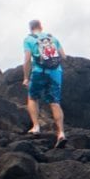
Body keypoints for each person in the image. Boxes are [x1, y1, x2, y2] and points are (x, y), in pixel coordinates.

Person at [22, 19, 67, 147]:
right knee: (55, 102)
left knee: (32, 97)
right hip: (55, 72)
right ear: (41, 27)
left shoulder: (29, 39)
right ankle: (61, 133)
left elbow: (27, 60)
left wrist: (26, 77)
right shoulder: (52, 38)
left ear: (30, 28)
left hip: (39, 72)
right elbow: (63, 56)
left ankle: (36, 126)